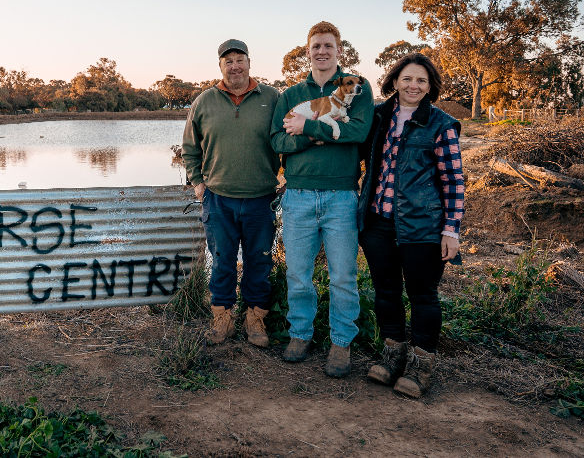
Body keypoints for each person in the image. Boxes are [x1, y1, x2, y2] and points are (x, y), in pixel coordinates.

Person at [270, 21, 374, 377]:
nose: (322, 51)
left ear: (339, 51)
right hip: (297, 195)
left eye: (328, 45)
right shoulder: (291, 95)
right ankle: (300, 334)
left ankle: (341, 343)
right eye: (316, 46)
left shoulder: (356, 88)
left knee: (343, 275)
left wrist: (310, 128)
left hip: (342, 196)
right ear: (308, 51)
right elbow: (278, 142)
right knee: (299, 274)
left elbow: (359, 131)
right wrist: (315, 138)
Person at [357, 53, 464, 398]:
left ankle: (421, 367)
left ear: (430, 85)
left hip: (422, 226)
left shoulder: (441, 124)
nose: (413, 85)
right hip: (378, 223)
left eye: (421, 80)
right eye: (407, 79)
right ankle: (392, 356)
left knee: (422, 295)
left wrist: (451, 229)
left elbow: (453, 181)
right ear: (394, 82)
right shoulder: (378, 116)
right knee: (386, 292)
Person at [182, 39, 280, 347]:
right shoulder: (204, 101)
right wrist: (198, 183)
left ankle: (255, 317)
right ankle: (221, 316)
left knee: (259, 260)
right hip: (218, 198)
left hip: (261, 198)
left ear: (249, 63)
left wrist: (284, 175)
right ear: (220, 66)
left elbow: (287, 139)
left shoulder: (272, 98)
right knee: (222, 259)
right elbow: (189, 147)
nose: (234, 66)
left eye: (240, 60)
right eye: (228, 61)